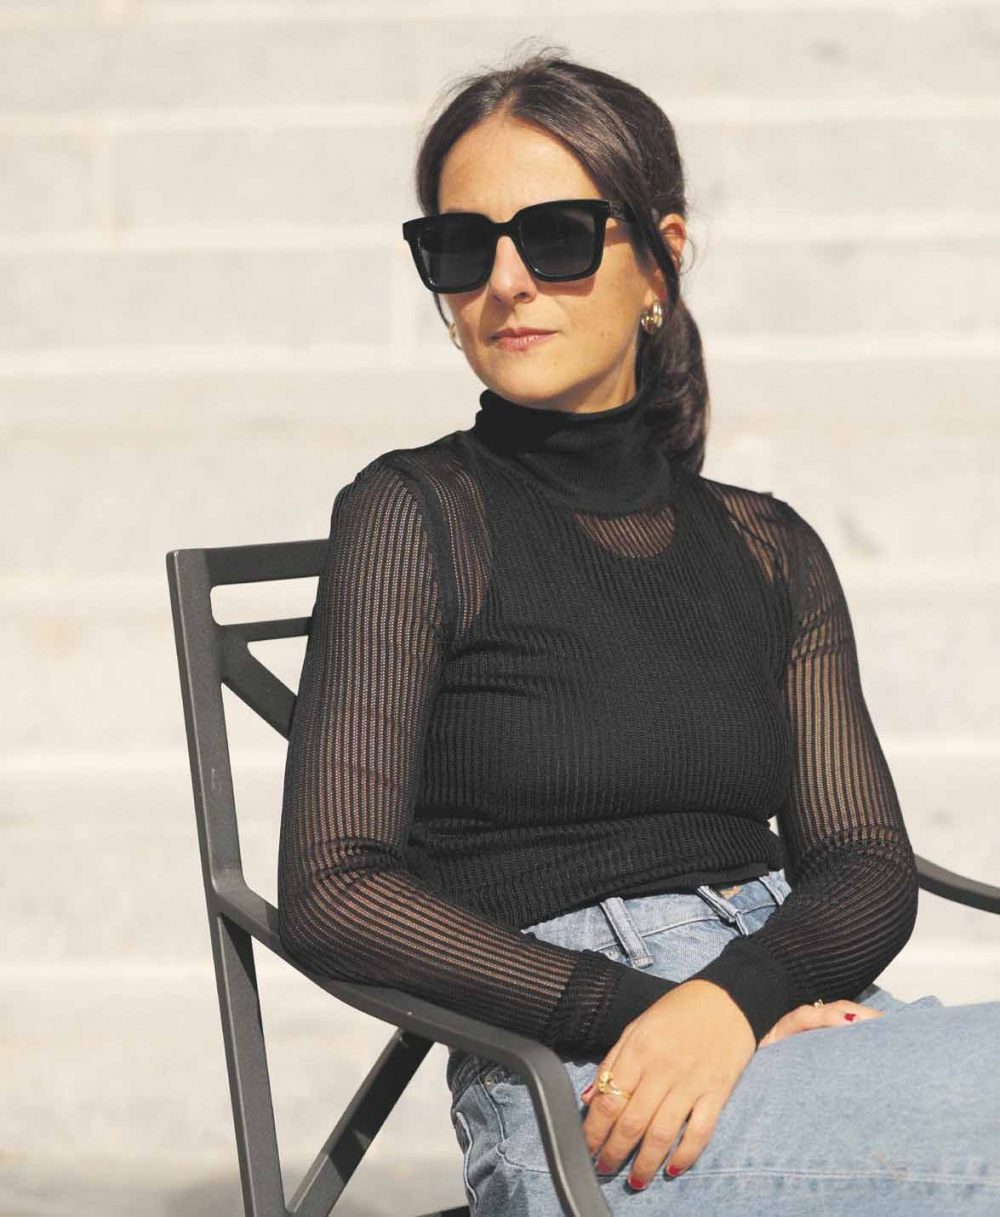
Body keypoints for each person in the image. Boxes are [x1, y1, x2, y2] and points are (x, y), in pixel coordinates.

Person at [276, 46, 999, 1216]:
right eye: (462, 246)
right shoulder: (414, 516)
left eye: (556, 236)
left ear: (659, 258)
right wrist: (658, 1015)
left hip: (786, 1017)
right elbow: (335, 889)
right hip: (591, 1085)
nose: (506, 281)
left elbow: (865, 861)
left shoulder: (767, 547)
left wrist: (735, 997)